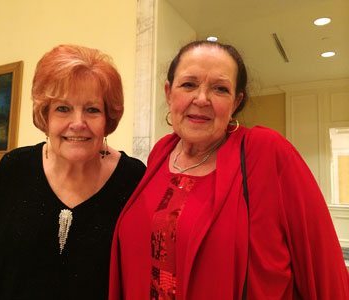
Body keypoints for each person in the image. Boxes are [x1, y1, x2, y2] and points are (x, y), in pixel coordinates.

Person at [109, 40, 349, 299]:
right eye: (188, 84)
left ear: (236, 101)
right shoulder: (161, 152)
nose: (201, 99)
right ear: (169, 93)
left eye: (220, 89)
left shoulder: (266, 152)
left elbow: (324, 267)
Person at [0, 44, 146, 300]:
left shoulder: (132, 178)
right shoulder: (15, 167)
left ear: (108, 119)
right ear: (45, 115)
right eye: (63, 109)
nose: (78, 123)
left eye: (92, 109)